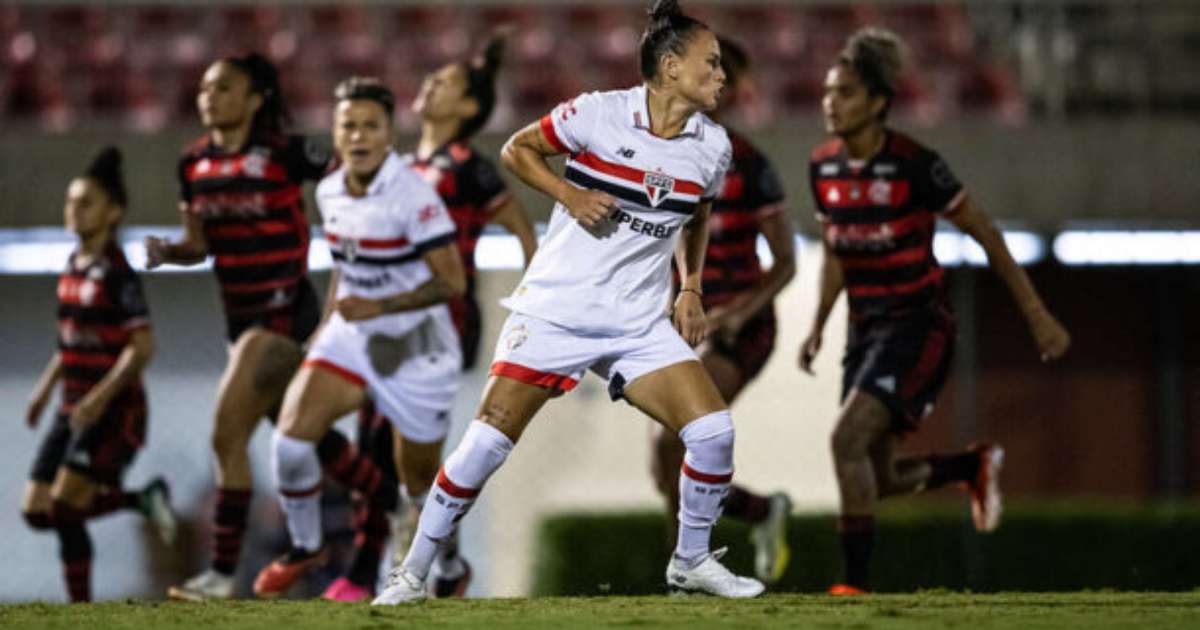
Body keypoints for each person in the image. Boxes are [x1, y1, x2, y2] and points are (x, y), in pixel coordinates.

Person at [374, 0, 765, 605]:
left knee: (712, 432)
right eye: (711, 63)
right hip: (557, 311)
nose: (722, 76)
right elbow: (515, 150)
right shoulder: (597, 113)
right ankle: (411, 575)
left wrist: (689, 287)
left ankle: (690, 561)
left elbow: (698, 214)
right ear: (669, 66)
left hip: (637, 321)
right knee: (486, 445)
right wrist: (568, 193)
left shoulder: (712, 147)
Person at [799, 28, 1071, 595]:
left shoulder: (916, 165)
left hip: (918, 326)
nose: (831, 102)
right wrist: (819, 326)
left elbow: (986, 232)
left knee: (845, 442)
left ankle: (853, 588)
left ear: (877, 102)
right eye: (828, 91)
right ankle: (966, 469)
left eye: (845, 92)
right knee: (875, 475)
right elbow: (835, 252)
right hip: (864, 329)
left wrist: (1036, 313)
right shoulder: (823, 168)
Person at [148, 54, 399, 601]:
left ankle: (220, 572)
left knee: (225, 432)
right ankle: (390, 500)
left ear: (256, 97)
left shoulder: (287, 152)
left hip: (284, 315)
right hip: (238, 323)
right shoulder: (192, 163)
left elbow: (355, 173)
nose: (209, 96)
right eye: (205, 87)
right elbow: (198, 244)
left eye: (224, 87)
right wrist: (171, 250)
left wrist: (360, 237)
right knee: (300, 434)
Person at [337, 32, 540, 601]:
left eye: (445, 82)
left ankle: (405, 554)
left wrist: (535, 308)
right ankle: (438, 549)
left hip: (442, 321)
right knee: (375, 444)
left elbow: (526, 233)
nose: (429, 85)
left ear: (470, 107)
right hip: (385, 323)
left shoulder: (468, 168)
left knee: (403, 442)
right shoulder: (395, 165)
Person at [253, 77, 467, 601]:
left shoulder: (413, 196)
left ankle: (452, 562)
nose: (359, 135)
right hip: (355, 333)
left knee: (418, 486)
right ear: (335, 130)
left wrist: (383, 305)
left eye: (371, 125)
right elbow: (345, 269)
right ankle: (305, 547)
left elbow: (452, 283)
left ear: (390, 134)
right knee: (290, 441)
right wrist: (328, 329)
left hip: (417, 344)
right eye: (349, 124)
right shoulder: (328, 190)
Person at [648, 35, 797, 586]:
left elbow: (786, 263)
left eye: (721, 75)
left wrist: (738, 312)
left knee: (676, 441)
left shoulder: (750, 164)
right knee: (666, 463)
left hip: (742, 326)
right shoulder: (660, 153)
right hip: (683, 322)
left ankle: (682, 575)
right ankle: (757, 513)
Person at [21, 147, 177, 603]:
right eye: (71, 201)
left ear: (114, 212)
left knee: (67, 508)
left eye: (86, 202)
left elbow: (142, 348)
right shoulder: (71, 267)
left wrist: (100, 398)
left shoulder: (119, 275)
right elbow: (68, 342)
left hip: (113, 410)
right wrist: (43, 390)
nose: (74, 210)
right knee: (35, 511)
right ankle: (140, 499)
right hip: (70, 406)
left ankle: (80, 611)